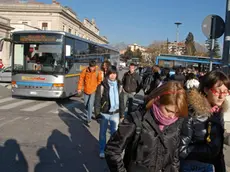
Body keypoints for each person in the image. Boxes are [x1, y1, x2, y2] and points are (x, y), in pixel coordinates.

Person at [105, 81, 188, 172]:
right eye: (168, 110)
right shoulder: (137, 120)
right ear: (157, 100)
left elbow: (174, 157)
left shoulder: (176, 123)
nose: (172, 117)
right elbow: (112, 150)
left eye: (177, 113)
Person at [180, 70, 230, 172]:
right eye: (217, 91)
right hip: (195, 167)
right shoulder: (192, 113)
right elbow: (181, 149)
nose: (221, 96)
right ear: (206, 89)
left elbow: (214, 137)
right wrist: (211, 149)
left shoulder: (217, 111)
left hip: (215, 165)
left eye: (225, 92)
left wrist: (226, 138)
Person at [94, 66, 124, 159]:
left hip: (115, 113)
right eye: (111, 73)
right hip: (104, 113)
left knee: (114, 134)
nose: (112, 76)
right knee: (102, 133)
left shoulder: (119, 85)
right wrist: (97, 114)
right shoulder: (102, 86)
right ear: (107, 74)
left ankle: (111, 150)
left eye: (114, 73)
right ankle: (102, 150)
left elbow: (121, 100)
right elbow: (97, 101)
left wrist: (122, 114)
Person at [77, 60, 102, 124]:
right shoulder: (85, 71)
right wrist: (79, 88)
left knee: (90, 104)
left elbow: (100, 80)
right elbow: (81, 79)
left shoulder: (98, 71)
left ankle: (89, 118)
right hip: (86, 90)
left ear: (95, 66)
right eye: (91, 67)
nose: (92, 68)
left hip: (93, 90)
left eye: (93, 67)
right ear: (89, 66)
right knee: (85, 104)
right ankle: (87, 113)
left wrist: (96, 86)